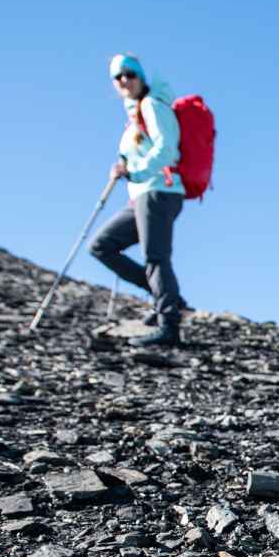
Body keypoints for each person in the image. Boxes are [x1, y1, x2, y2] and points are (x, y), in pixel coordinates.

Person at [89, 53, 188, 347]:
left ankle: (170, 324)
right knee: (102, 246)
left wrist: (134, 171)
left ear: (141, 76)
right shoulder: (134, 114)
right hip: (143, 196)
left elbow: (168, 150)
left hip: (160, 192)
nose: (124, 80)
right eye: (118, 76)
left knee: (156, 257)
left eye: (129, 74)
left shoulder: (152, 105)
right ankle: (165, 298)